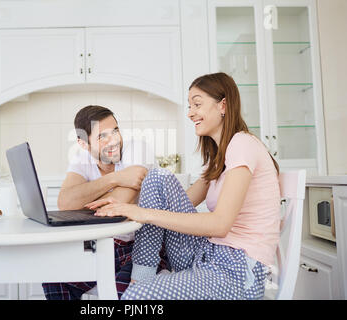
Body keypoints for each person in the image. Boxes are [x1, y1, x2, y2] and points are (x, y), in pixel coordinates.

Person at [88, 72, 281, 300]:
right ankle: (141, 278)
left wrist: (141, 213)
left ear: (223, 105)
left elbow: (220, 225)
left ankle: (141, 285)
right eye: (190, 106)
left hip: (237, 270)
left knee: (137, 298)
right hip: (206, 253)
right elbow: (177, 206)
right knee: (157, 177)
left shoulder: (243, 143)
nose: (190, 113)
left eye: (197, 104)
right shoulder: (220, 156)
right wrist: (126, 206)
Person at [42, 105, 167, 300]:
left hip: (141, 248)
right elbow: (65, 203)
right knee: (54, 276)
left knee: (120, 294)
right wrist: (114, 179)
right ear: (83, 144)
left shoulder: (137, 148)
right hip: (101, 246)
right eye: (102, 136)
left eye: (115, 131)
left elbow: (118, 206)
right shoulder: (81, 157)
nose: (114, 141)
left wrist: (84, 198)